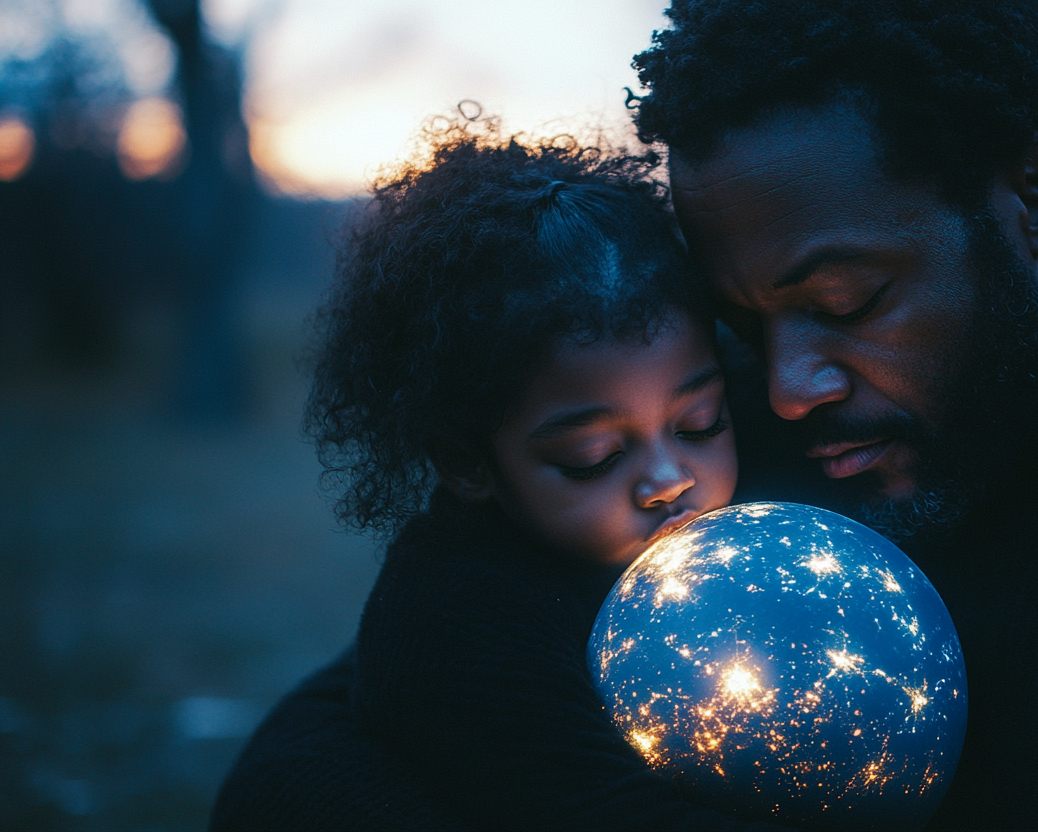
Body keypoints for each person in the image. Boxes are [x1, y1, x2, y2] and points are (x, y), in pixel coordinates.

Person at [215, 2, 1038, 829]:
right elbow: (347, 719)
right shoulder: (740, 429)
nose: (790, 383)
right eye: (745, 324)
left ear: (1036, 194)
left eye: (848, 299)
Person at [212, 117, 780, 830]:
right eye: (594, 459)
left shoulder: (777, 470)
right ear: (466, 463)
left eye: (700, 422)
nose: (668, 477)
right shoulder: (455, 623)